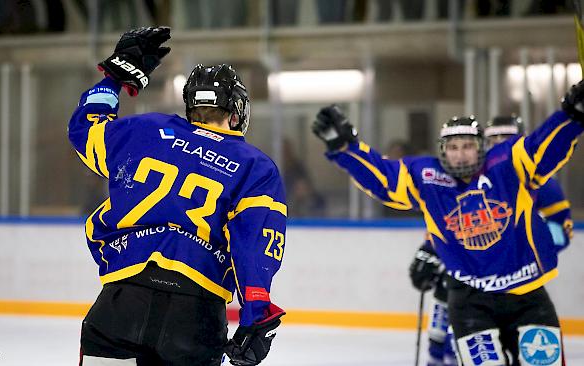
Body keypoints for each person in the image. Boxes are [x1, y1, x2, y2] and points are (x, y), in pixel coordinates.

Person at [311, 85, 584, 366]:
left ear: (482, 148)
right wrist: (345, 149)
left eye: (468, 146)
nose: (460, 154)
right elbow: (383, 177)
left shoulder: (509, 164)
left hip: (528, 296)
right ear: (442, 151)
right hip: (471, 302)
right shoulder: (428, 177)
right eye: (453, 147)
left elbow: (543, 145)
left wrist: (571, 117)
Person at [68, 27, 287, 366]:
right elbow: (253, 245)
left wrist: (114, 77)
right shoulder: (255, 167)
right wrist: (257, 314)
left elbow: (85, 129)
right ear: (235, 113)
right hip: (194, 316)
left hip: (121, 302)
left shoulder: (143, 130)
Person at [408, 115, 574, 366]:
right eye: (492, 138)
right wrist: (431, 249)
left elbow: (561, 228)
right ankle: (442, 353)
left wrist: (517, 249)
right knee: (447, 297)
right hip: (475, 285)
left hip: (518, 279)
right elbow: (452, 227)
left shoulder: (540, 179)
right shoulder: (467, 180)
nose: (498, 143)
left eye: (505, 139)